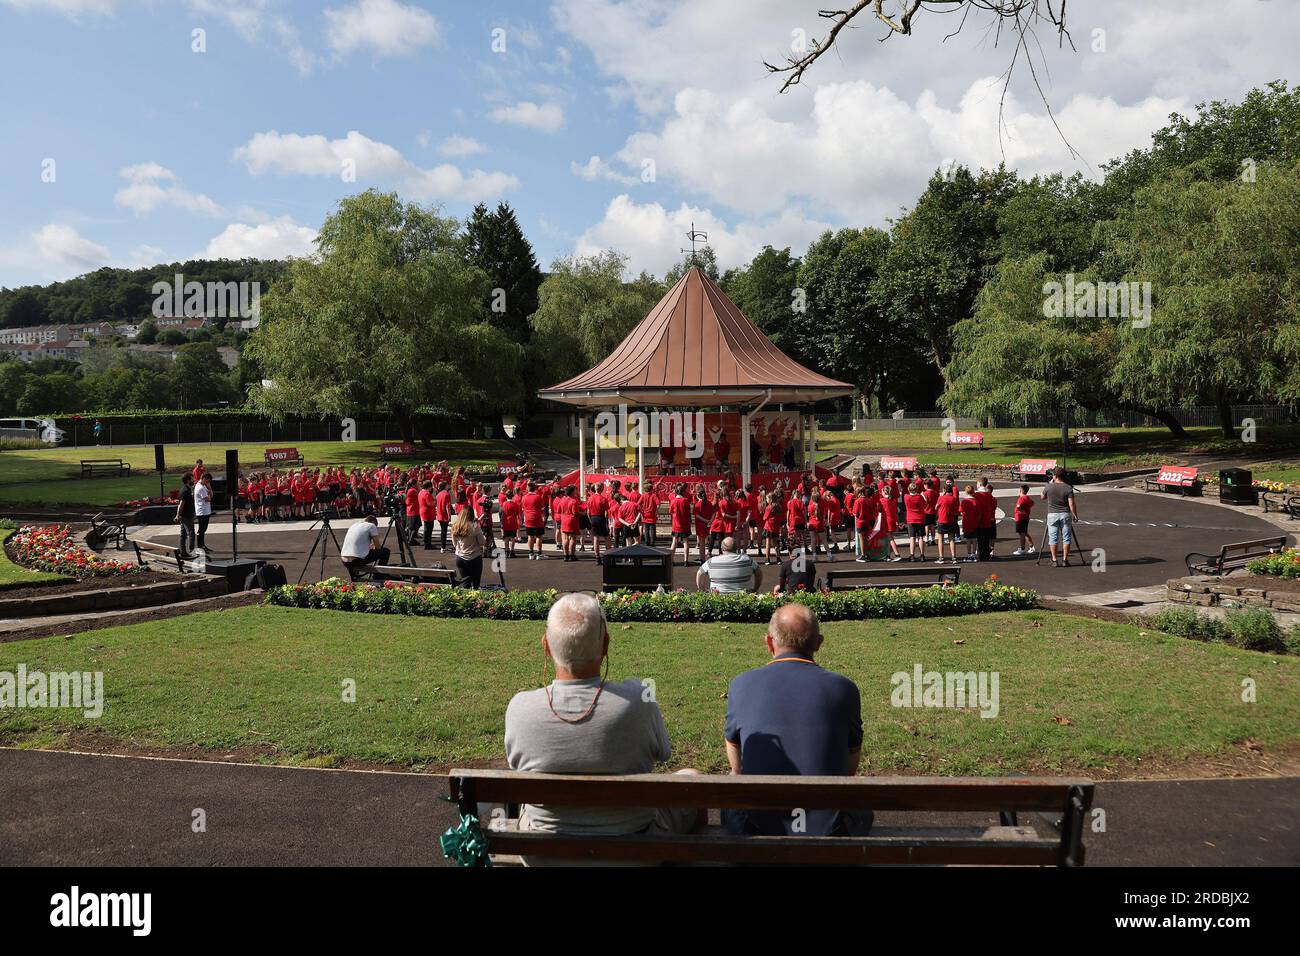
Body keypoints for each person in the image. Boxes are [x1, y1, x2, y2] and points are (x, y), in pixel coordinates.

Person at [504, 593, 703, 864]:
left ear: (546, 647)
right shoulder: (639, 699)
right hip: (635, 850)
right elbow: (663, 754)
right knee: (692, 778)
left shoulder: (520, 708)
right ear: (606, 644)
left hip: (545, 854)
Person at [723, 604, 868, 837]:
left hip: (754, 834)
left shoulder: (741, 684)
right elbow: (850, 765)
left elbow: (736, 763)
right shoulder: (844, 688)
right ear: (819, 642)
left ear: (769, 642)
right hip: (832, 836)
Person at [1041, 467, 1080, 567]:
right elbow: (1072, 504)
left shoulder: (1049, 486)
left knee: (1053, 538)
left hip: (1052, 514)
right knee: (1066, 538)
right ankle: (1065, 560)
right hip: (1065, 514)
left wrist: (1049, 484)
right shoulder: (1068, 488)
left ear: (1055, 476)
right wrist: (1075, 515)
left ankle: (1054, 560)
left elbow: (1042, 497)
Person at [696, 536, 762, 593]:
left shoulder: (711, 562)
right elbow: (758, 572)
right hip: (744, 598)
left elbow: (699, 574)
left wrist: (702, 591)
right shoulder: (748, 560)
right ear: (736, 548)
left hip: (717, 598)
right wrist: (755, 589)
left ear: (722, 548)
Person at [450, 505, 486, 587]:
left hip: (460, 557)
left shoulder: (455, 526)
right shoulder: (474, 526)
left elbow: (454, 544)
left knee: (465, 582)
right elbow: (481, 542)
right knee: (475, 583)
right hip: (474, 557)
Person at [668, 483, 693, 567]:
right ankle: (686, 560)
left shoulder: (673, 501)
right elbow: (689, 511)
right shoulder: (686, 501)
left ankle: (671, 559)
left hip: (676, 524)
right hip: (685, 524)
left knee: (674, 542)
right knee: (686, 542)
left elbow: (670, 511)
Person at [175, 473, 197, 558]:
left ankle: (183, 552)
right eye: (192, 478)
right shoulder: (186, 491)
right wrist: (177, 515)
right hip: (186, 516)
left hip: (185, 515)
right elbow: (181, 504)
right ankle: (192, 551)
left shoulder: (185, 489)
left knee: (183, 534)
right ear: (188, 480)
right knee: (191, 533)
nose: (193, 480)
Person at [1012, 484, 1036, 555]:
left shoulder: (1021, 498)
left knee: (1022, 533)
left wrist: (1021, 510)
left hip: (1020, 518)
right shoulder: (1028, 498)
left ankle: (1022, 549)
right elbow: (1032, 503)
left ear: (1021, 490)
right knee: (1024, 532)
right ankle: (1031, 546)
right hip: (1025, 517)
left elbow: (1018, 506)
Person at [194, 473, 213, 552]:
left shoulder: (204, 486)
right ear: (204, 479)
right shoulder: (200, 487)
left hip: (205, 511)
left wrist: (210, 490)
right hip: (202, 511)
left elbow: (211, 496)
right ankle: (200, 546)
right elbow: (208, 499)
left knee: (203, 529)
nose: (208, 483)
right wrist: (209, 493)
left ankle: (202, 545)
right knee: (201, 529)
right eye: (207, 481)